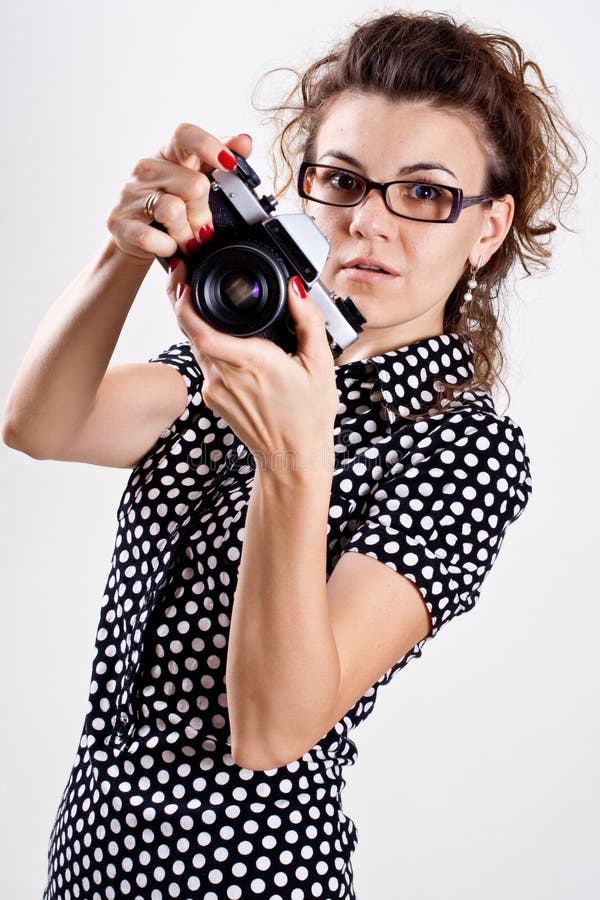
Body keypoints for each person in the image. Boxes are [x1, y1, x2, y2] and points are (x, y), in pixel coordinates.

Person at [1, 10, 583, 900]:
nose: (369, 225)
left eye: (424, 193)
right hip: (88, 870)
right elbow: (42, 425)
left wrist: (295, 462)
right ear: (302, 193)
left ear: (488, 228)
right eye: (342, 180)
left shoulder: (465, 449)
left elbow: (274, 729)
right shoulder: (237, 357)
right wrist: (125, 250)